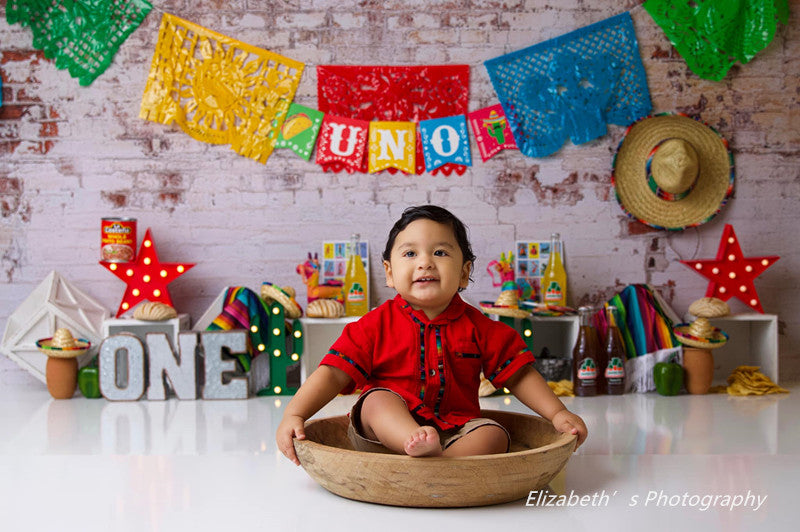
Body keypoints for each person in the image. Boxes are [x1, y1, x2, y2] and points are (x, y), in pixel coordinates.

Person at [277, 205, 587, 464]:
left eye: (440, 252)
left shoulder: (479, 327)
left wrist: (558, 413)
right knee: (376, 401)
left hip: (455, 432)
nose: (425, 261)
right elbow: (332, 374)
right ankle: (413, 443)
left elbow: (519, 375)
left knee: (494, 434)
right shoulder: (374, 325)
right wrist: (294, 413)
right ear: (388, 272)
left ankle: (440, 465)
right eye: (410, 253)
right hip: (386, 435)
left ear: (464, 272)